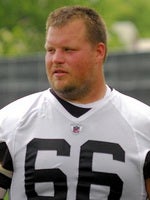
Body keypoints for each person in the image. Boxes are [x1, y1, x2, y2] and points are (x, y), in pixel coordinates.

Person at [0, 5, 150, 200]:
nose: (56, 59)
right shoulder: (11, 122)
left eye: (68, 50)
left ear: (99, 52)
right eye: (50, 50)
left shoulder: (143, 125)